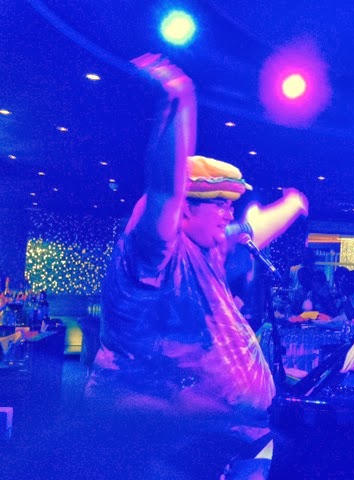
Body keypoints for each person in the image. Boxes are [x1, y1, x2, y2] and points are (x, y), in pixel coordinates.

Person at [80, 54, 307, 479]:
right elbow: (164, 191)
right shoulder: (156, 253)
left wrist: (292, 204)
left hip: (216, 441)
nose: (228, 213)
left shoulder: (210, 249)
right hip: (155, 447)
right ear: (185, 211)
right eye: (219, 203)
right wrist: (178, 102)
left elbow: (253, 229)